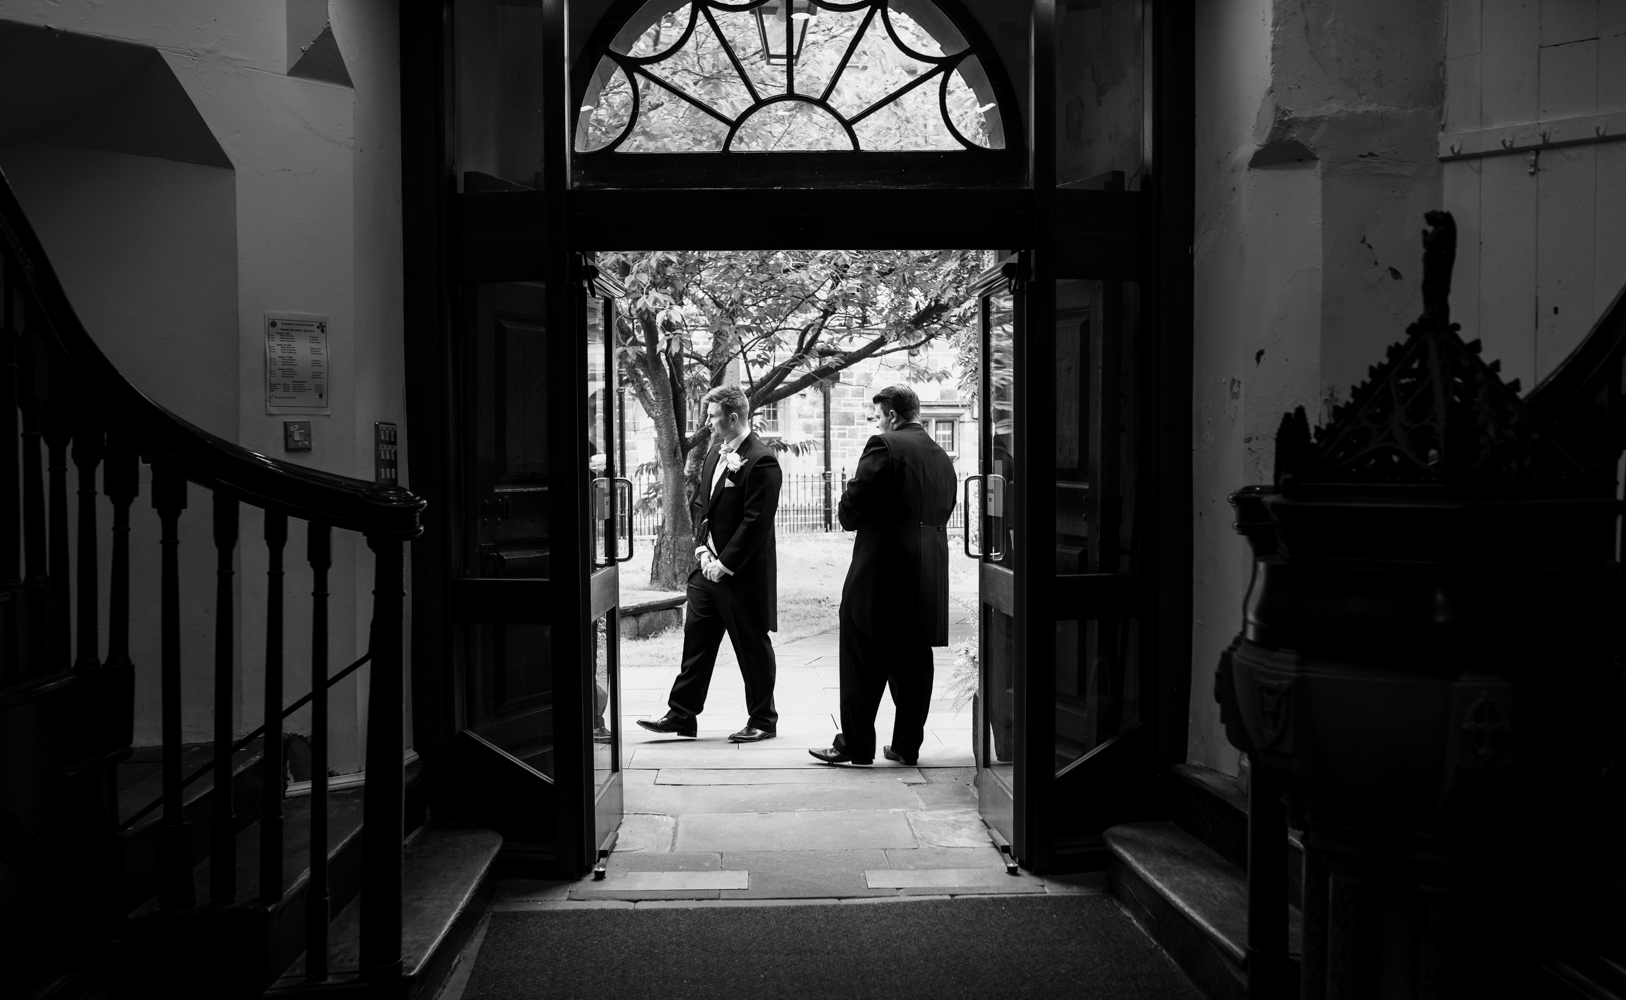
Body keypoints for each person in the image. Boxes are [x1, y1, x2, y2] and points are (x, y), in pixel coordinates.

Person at [811, 385, 957, 766]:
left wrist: (849, 500)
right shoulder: (942, 456)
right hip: (928, 571)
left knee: (862, 657)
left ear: (891, 415)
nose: (877, 423)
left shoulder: (884, 445)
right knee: (913, 661)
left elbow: (851, 508)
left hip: (882, 569)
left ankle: (857, 746)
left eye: (878, 415)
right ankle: (907, 746)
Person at [638, 385, 782, 743]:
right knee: (697, 641)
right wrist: (703, 552)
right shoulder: (717, 455)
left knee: (751, 645)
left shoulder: (762, 460)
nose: (707, 422)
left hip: (741, 574)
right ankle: (682, 715)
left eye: (713, 415)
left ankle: (763, 719)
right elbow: (703, 508)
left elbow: (756, 523)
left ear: (733, 417)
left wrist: (726, 564)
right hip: (706, 570)